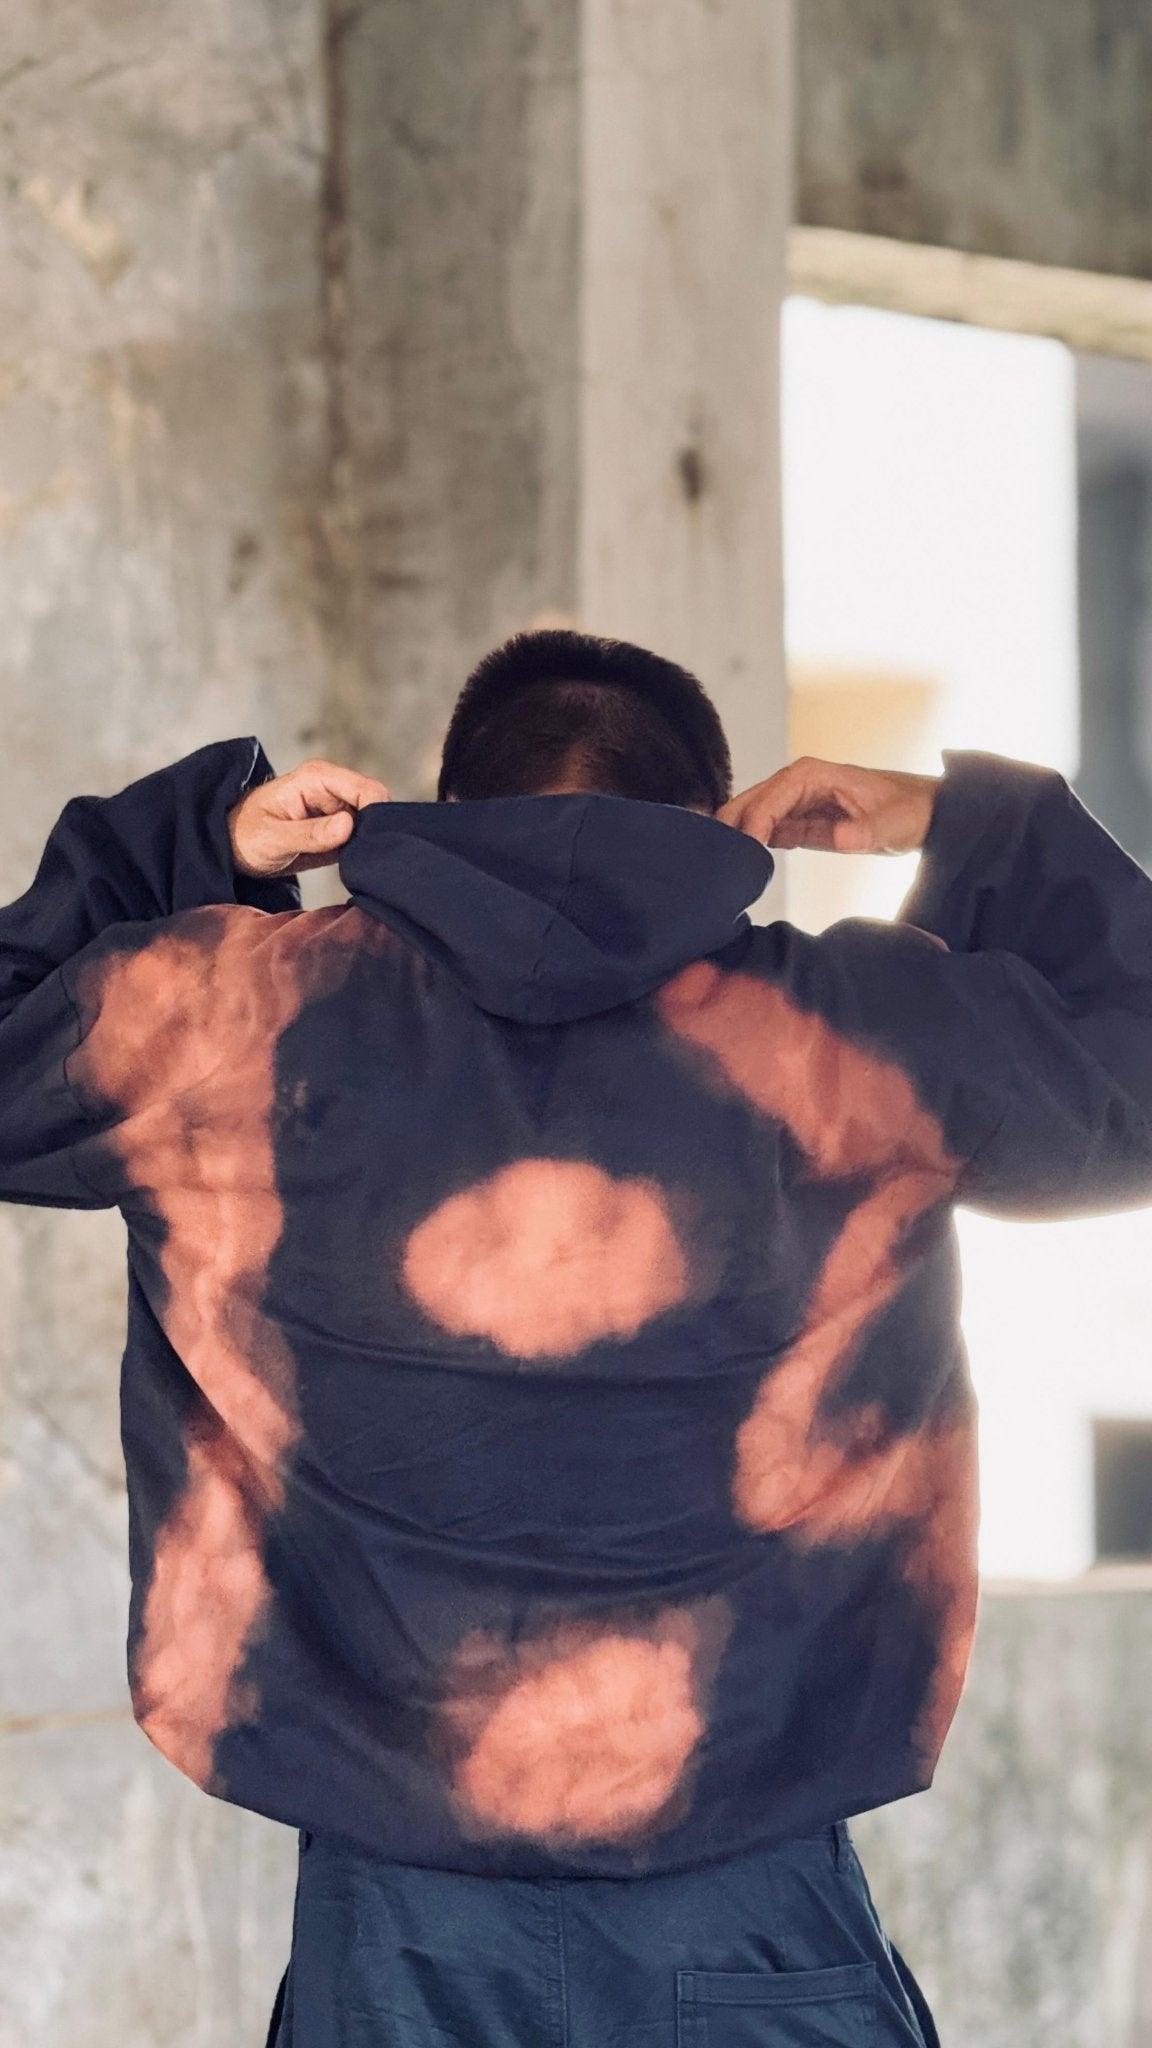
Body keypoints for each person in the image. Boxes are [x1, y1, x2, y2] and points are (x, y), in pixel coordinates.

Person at [2, 628, 1151, 2048]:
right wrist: (971, 824)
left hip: (391, 1925)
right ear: (715, 821)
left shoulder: (229, 1023)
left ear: (451, 809)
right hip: (749, 1902)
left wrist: (198, 841)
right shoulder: (860, 1034)